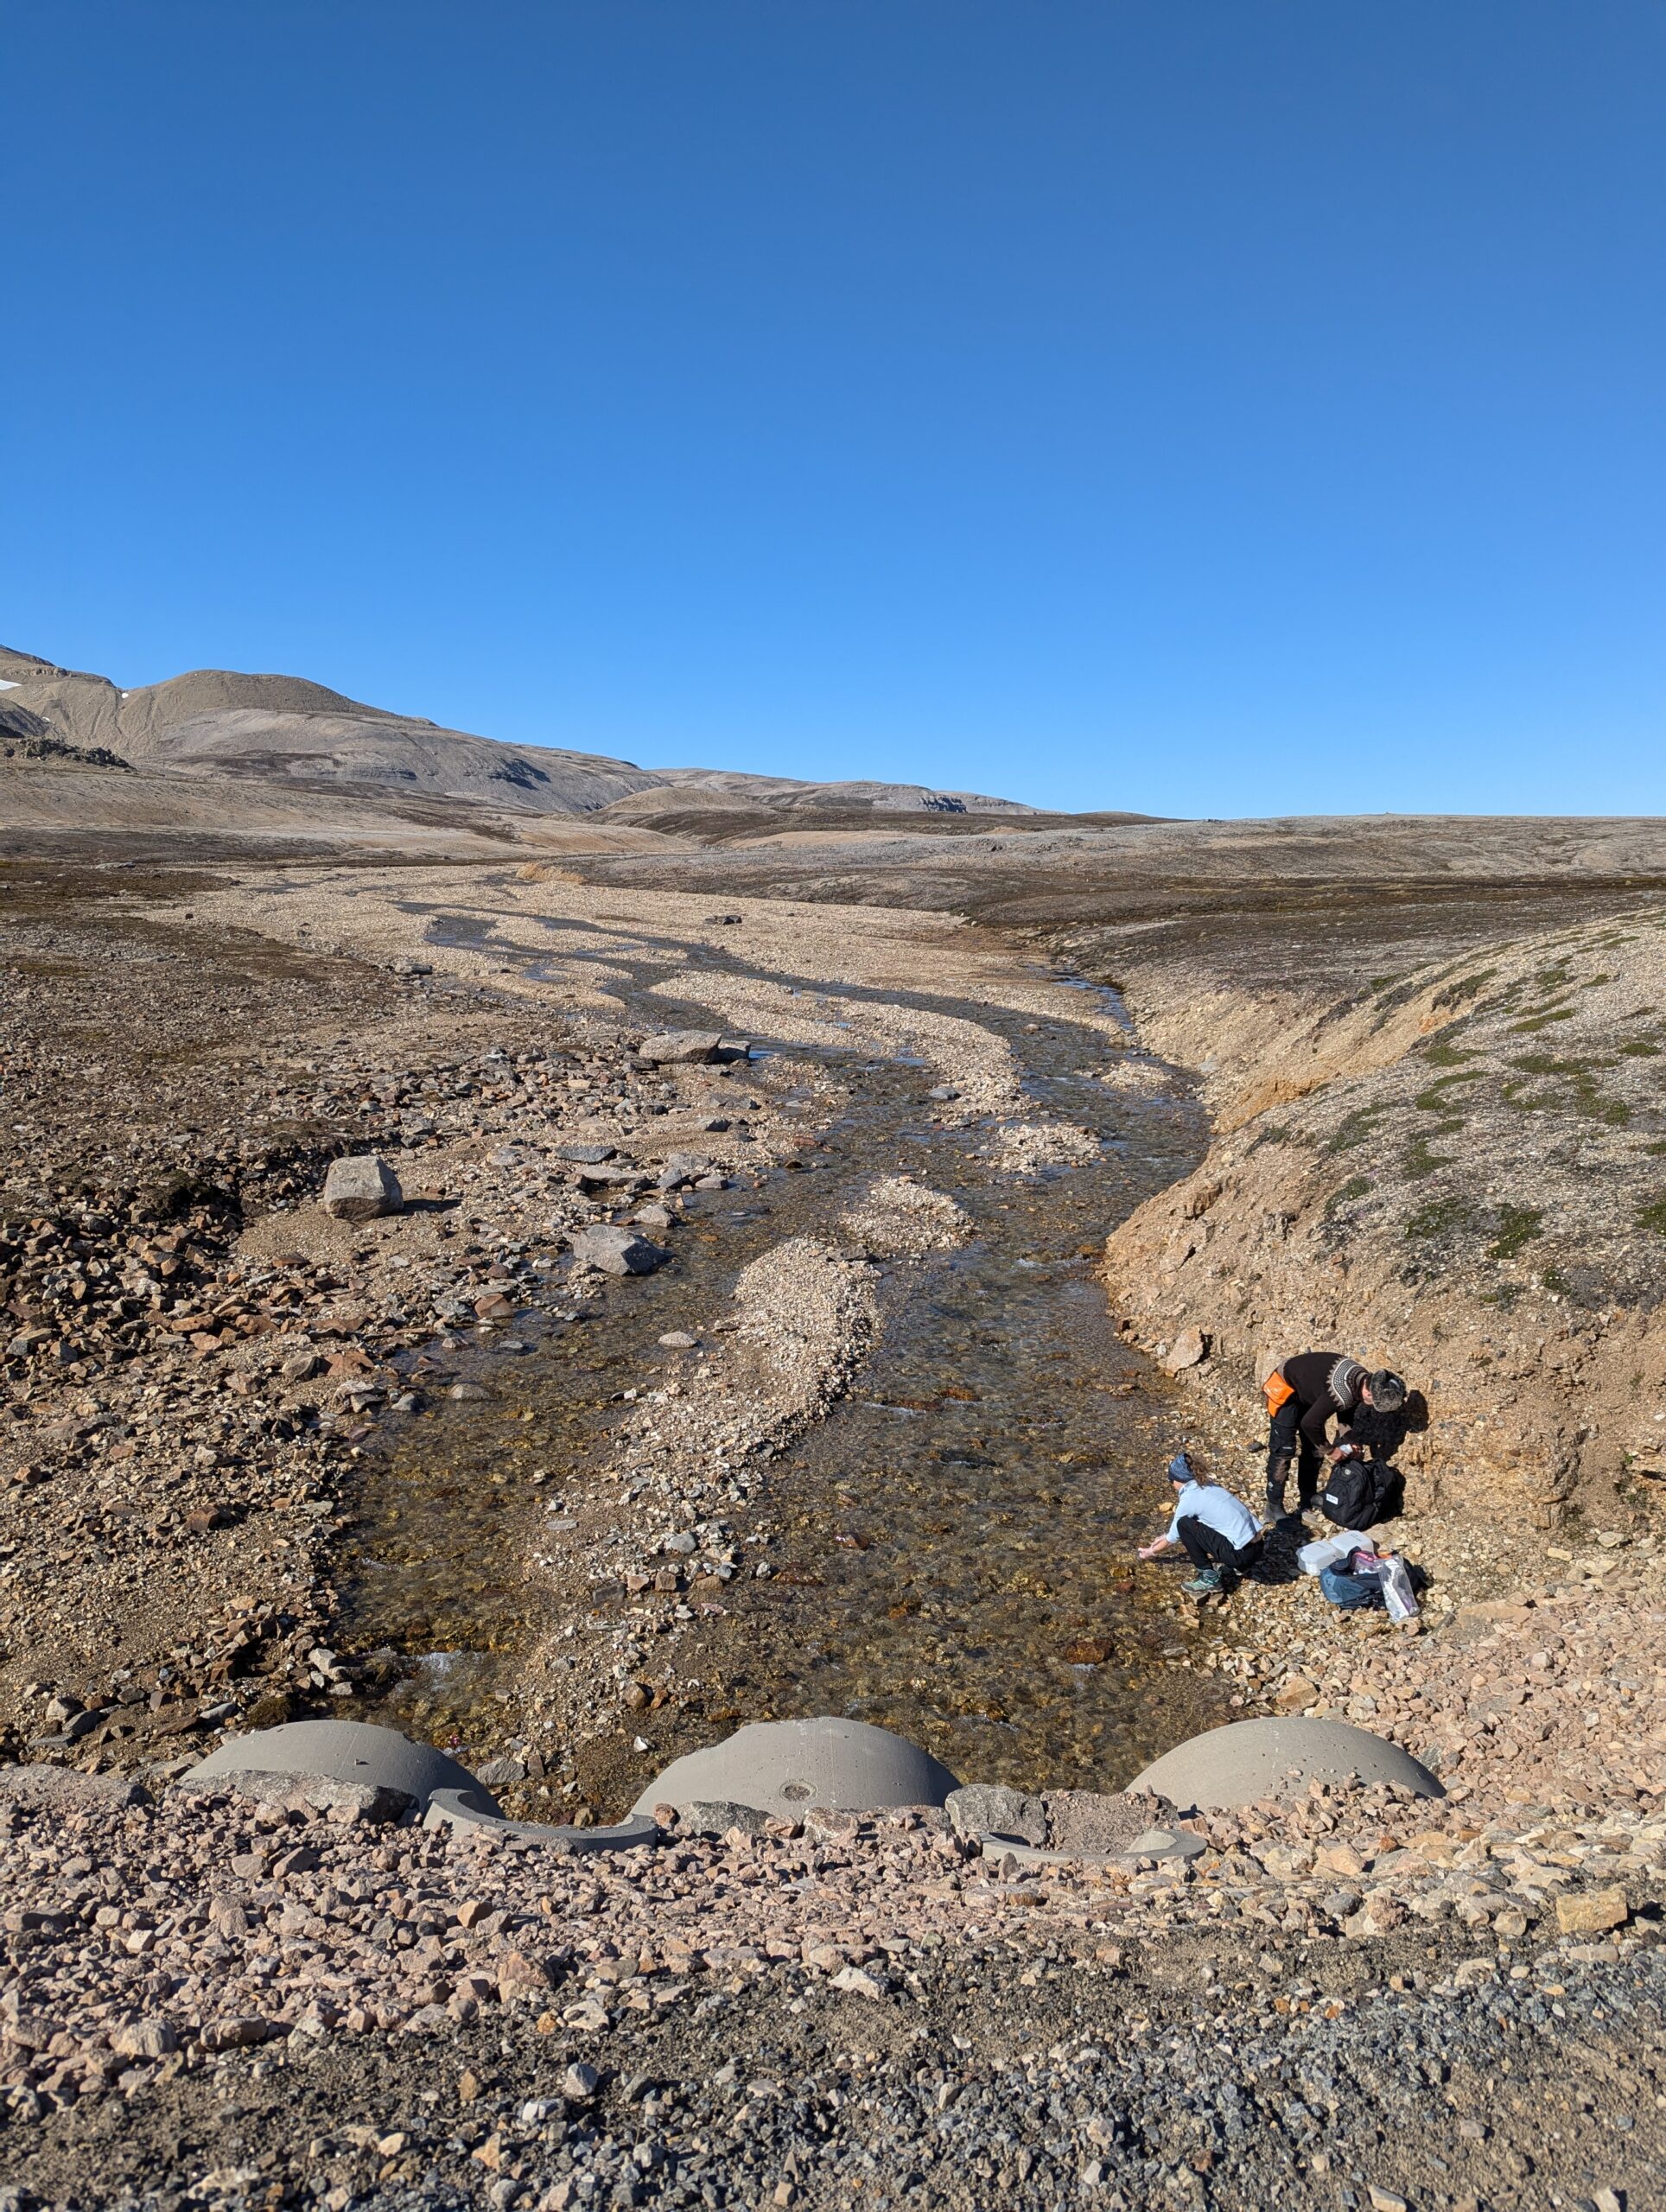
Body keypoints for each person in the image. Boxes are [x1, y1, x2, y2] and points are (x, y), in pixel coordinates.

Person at [1263, 1353, 1407, 1522]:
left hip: (1307, 1389)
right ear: (1368, 1393)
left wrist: (1348, 1438)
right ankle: (1273, 1507)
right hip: (1285, 1387)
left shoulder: (1364, 1380)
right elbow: (1310, 1424)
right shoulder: (1342, 1390)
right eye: (1374, 1403)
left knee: (1314, 1450)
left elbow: (1346, 1410)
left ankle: (1308, 1496)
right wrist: (1331, 1451)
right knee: (1283, 1451)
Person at [1137, 1452, 1264, 1596]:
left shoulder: (1189, 1499)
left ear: (1179, 1480)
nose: (1171, 1484)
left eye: (1171, 1480)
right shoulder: (1210, 1486)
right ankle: (1237, 1567)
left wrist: (1150, 1552)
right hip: (1258, 1547)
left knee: (1184, 1525)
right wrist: (1165, 1536)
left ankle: (1208, 1578)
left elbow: (1172, 1538)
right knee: (1199, 1521)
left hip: (1241, 1555)